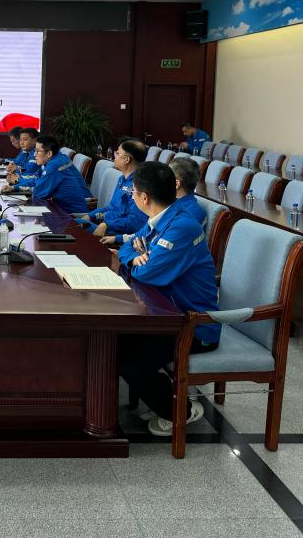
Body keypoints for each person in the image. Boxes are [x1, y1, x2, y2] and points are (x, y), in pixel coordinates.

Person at [115, 161, 219, 437]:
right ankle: (164, 396)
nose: (132, 196)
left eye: (133, 193)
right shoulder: (161, 218)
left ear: (144, 198)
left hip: (194, 325)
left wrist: (139, 261)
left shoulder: (181, 226)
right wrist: (134, 257)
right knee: (114, 343)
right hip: (165, 314)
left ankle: (182, 411)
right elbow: (126, 247)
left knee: (129, 361)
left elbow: (149, 274)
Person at [79, 139, 148, 240]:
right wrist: (90, 216)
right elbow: (111, 206)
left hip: (115, 235)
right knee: (74, 223)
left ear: (127, 159)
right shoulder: (122, 179)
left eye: (118, 153)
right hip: (105, 224)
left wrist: (107, 225)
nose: (114, 155)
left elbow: (135, 222)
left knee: (73, 226)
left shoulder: (139, 185)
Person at [2, 134, 91, 212]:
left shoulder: (55, 165)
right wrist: (15, 187)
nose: (34, 154)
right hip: (60, 208)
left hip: (70, 214)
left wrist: (17, 183)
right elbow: (38, 179)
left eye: (38, 151)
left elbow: (38, 192)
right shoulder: (54, 160)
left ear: (49, 154)